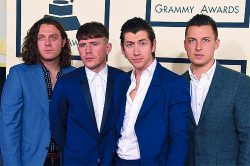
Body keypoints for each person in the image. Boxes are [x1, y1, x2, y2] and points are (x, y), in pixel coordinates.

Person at [102, 17, 190, 166]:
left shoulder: (174, 83)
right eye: (130, 45)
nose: (136, 52)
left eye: (142, 43)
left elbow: (179, 140)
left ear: (153, 45)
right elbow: (113, 129)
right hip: (118, 161)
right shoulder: (121, 82)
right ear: (123, 49)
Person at [0, 17, 75, 166]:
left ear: (63, 42)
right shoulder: (19, 74)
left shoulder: (75, 75)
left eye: (53, 37)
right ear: (35, 42)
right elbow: (8, 127)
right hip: (31, 160)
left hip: (67, 160)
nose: (47, 43)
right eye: (41, 38)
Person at [49, 21, 124, 166]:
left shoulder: (122, 80)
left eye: (94, 44)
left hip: (113, 159)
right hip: (76, 160)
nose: (88, 51)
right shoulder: (66, 83)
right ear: (78, 48)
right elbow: (57, 124)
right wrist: (76, 150)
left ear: (108, 48)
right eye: (83, 45)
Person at [183, 14, 250, 166]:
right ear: (185, 44)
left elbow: (248, 138)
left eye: (205, 40)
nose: (198, 47)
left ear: (216, 43)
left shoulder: (239, 83)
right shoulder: (176, 84)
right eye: (192, 40)